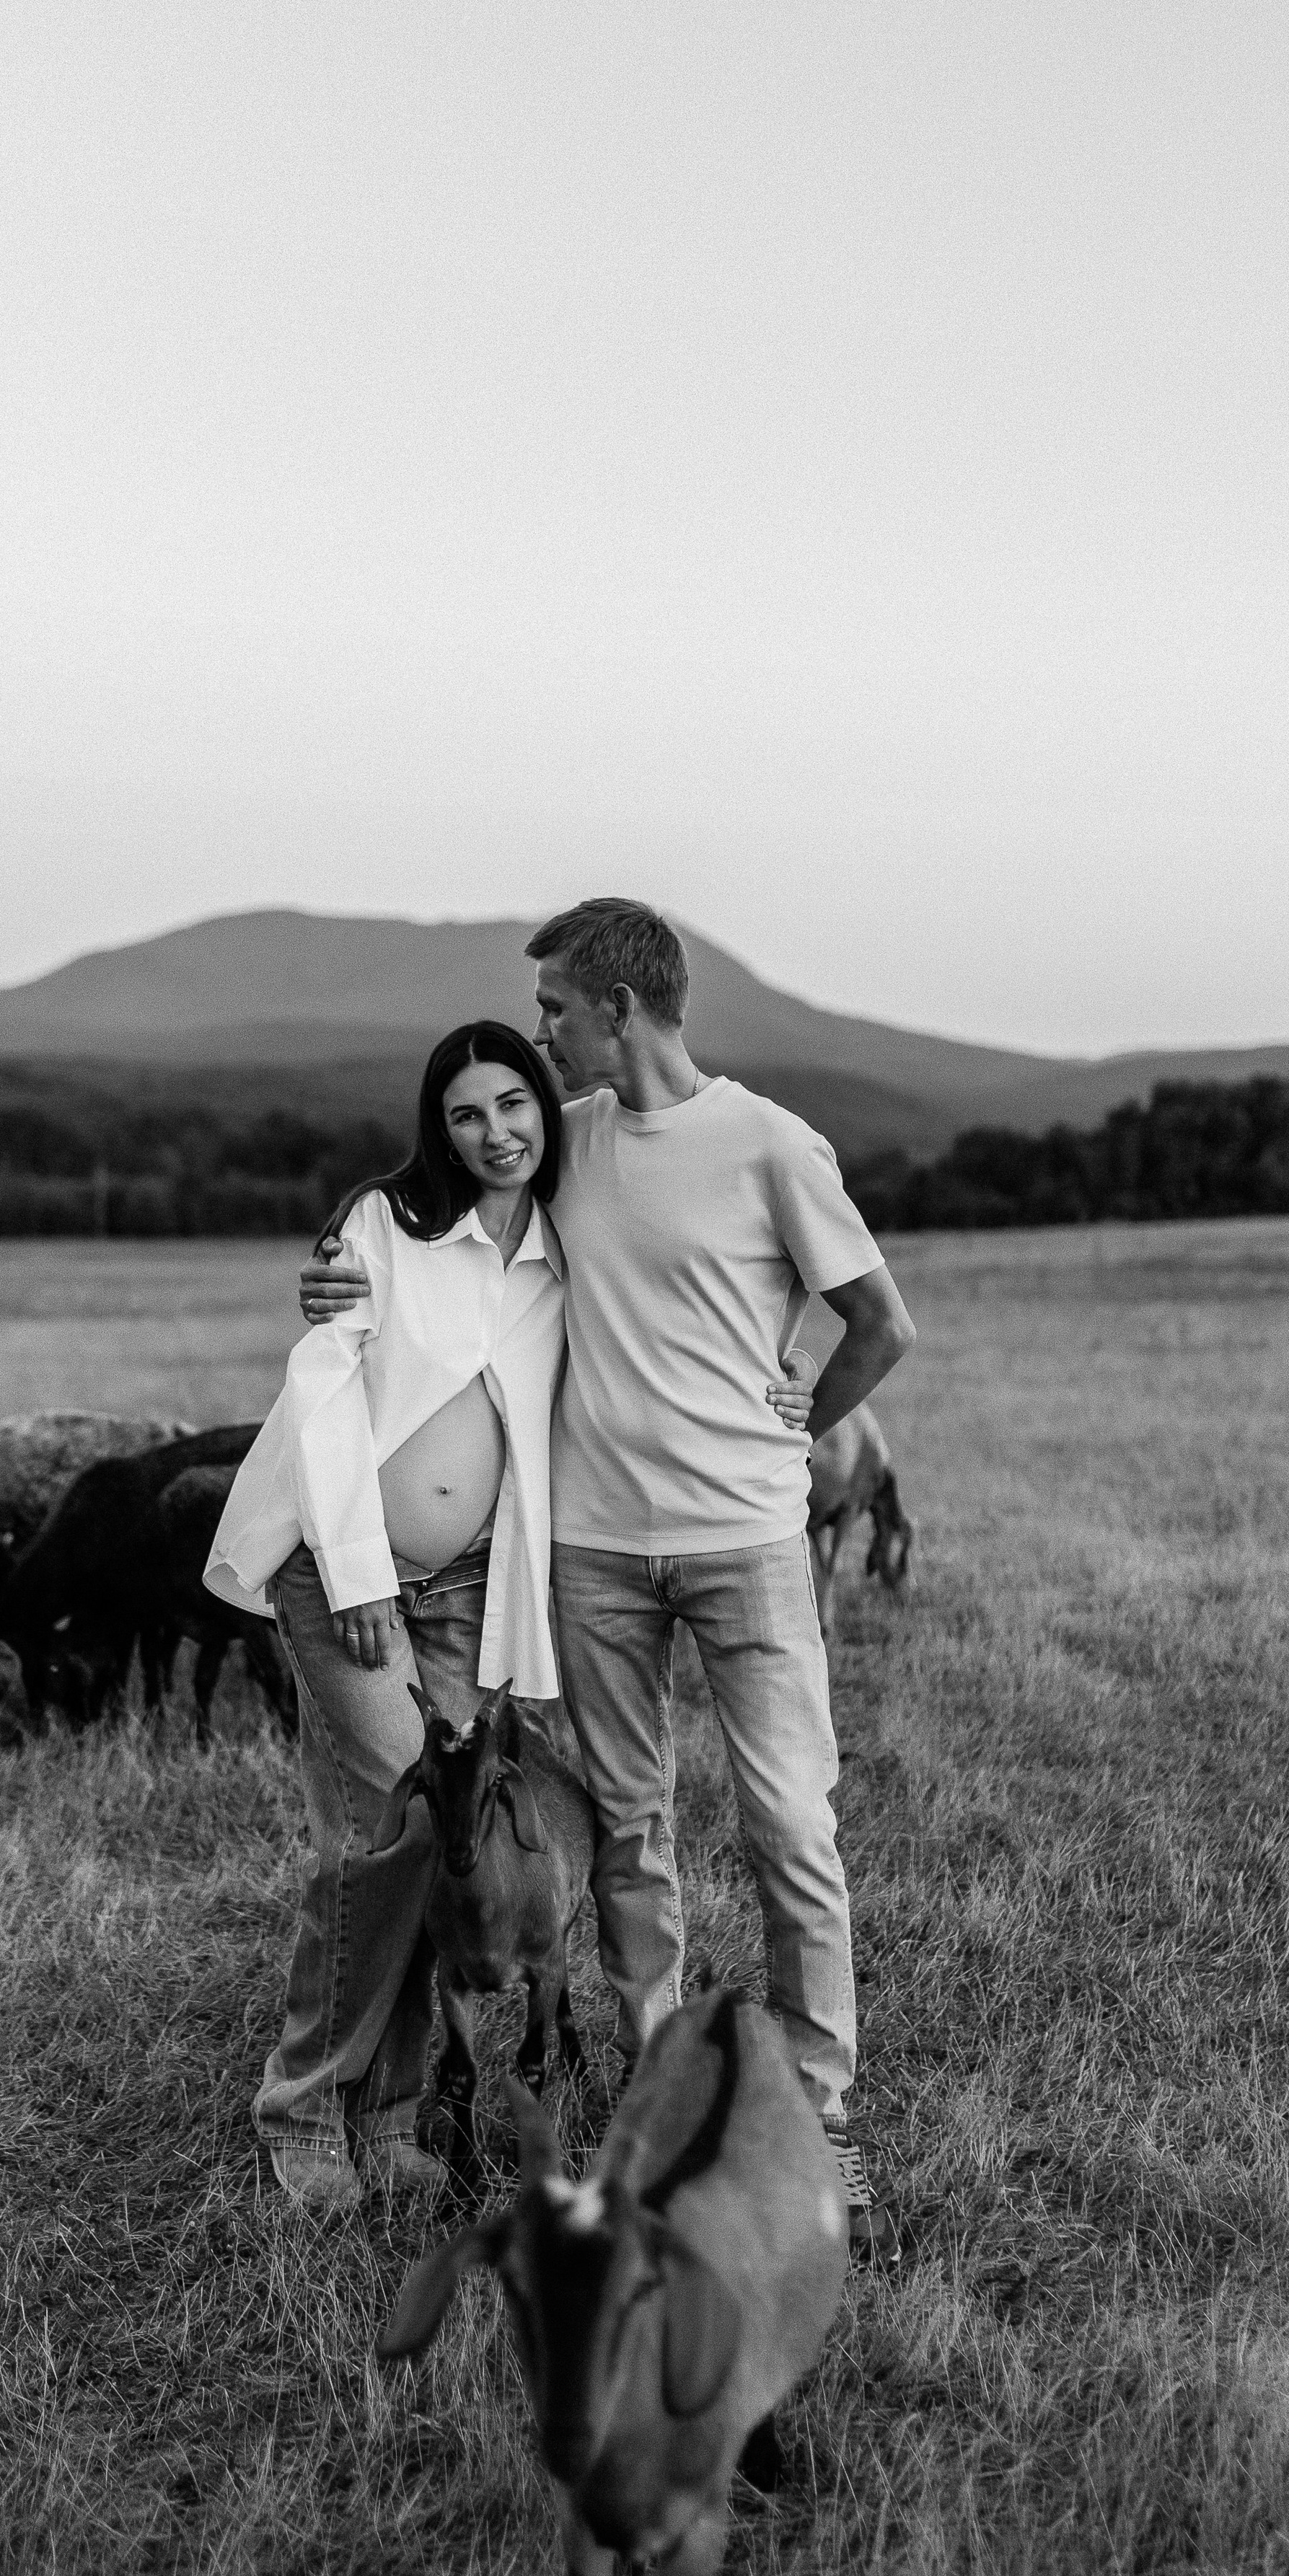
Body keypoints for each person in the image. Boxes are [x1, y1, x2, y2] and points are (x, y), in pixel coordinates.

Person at [302, 901, 917, 2262]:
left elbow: (883, 1323)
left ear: (621, 1009)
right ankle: (659, 2105)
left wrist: (794, 1418)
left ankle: (819, 2119)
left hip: (748, 1546)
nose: (539, 1041)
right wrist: (334, 1278)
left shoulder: (768, 1143)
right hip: (595, 1559)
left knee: (788, 1829)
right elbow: (432, 1200)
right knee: (632, 1832)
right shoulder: (563, 1137)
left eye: (556, 1015)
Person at [204, 1021, 569, 2216]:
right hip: (343, 1574)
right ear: (439, 1127)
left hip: (468, 1591)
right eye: (467, 1114)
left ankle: (396, 2115)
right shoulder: (387, 1227)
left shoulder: (568, 1245)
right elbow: (320, 1388)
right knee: (392, 1829)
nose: (495, 1132)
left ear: (545, 1106)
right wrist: (359, 1572)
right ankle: (305, 2109)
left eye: (513, 1103)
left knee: (437, 1835)